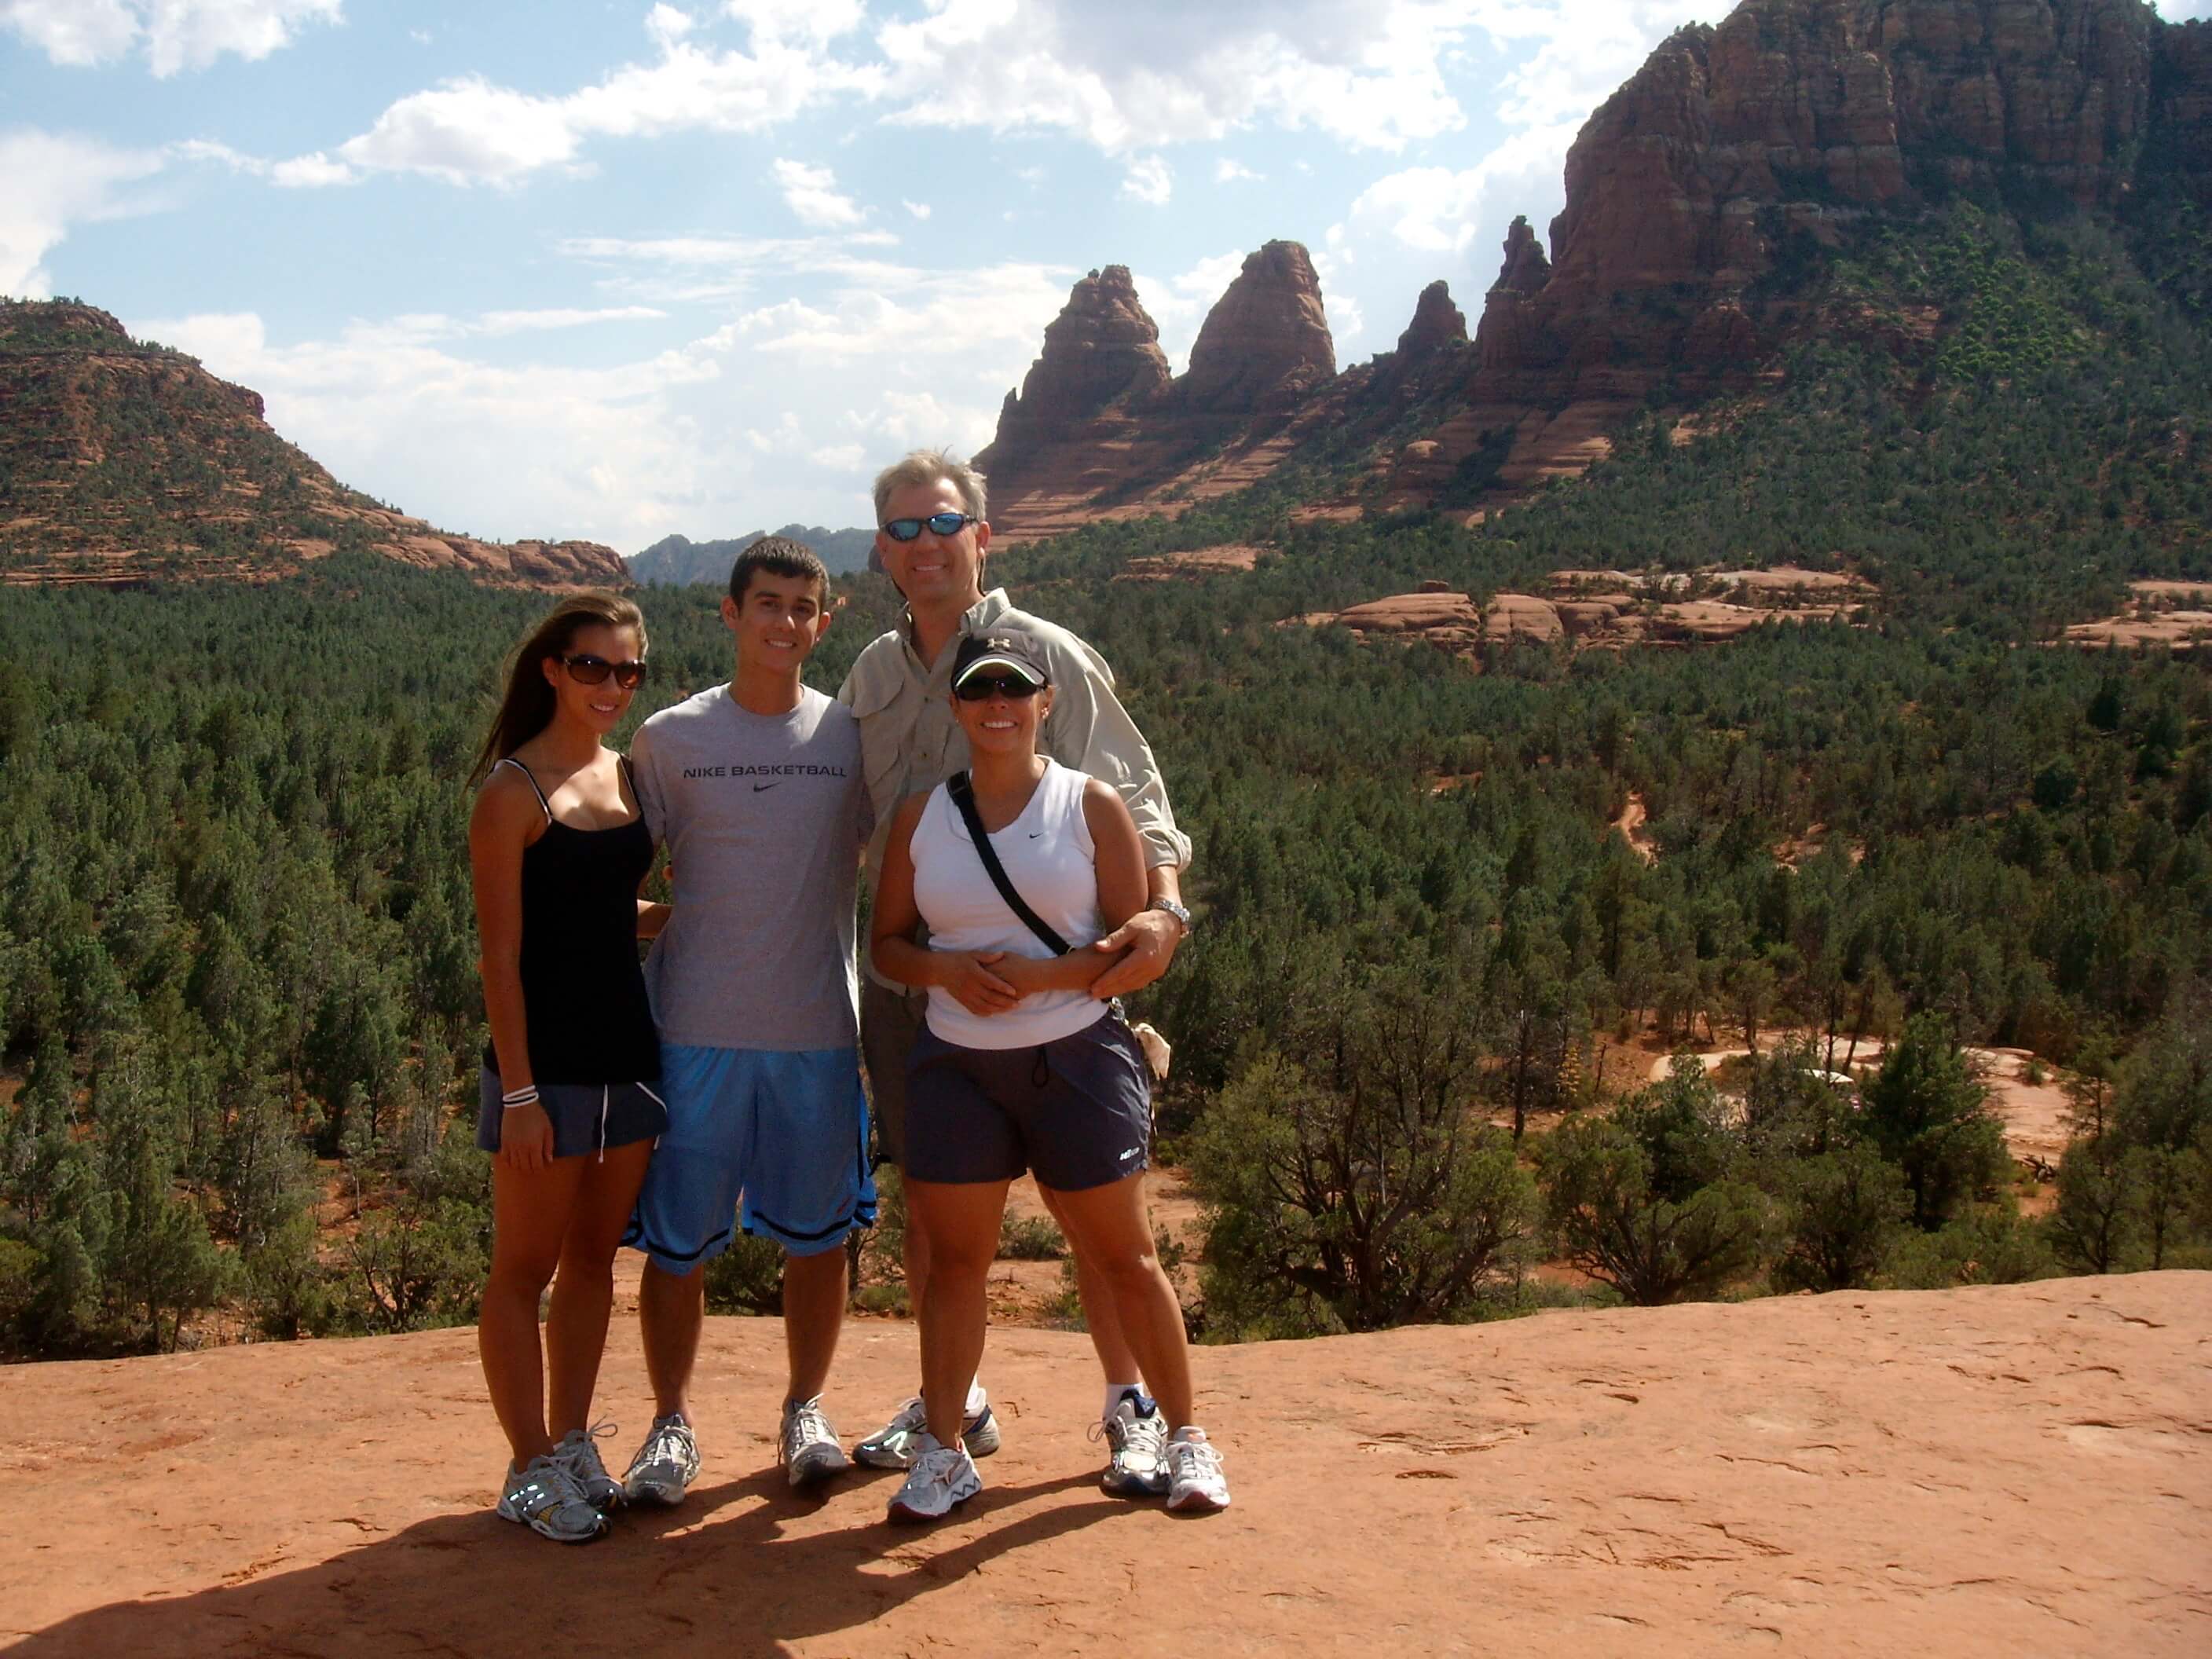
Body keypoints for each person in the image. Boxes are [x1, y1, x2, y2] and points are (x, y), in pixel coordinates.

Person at [841, 449, 1195, 1499]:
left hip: (1064, 994)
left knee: (1092, 1213)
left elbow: (1135, 801)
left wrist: (1164, 912)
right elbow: (849, 824)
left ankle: (1130, 1407)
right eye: (901, 531)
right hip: (923, 991)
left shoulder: (1046, 655)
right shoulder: (872, 672)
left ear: (981, 537)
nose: (923, 546)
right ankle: (957, 1404)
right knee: (936, 1214)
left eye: (941, 524)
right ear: (880, 551)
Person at [870, 633, 1230, 1520]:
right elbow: (884, 945)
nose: (997, 703)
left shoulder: (1089, 804)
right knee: (954, 1264)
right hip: (955, 1063)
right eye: (978, 689)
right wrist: (947, 973)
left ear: (1045, 702)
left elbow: (1129, 946)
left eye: (1014, 688)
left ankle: (1185, 1436)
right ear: (954, 706)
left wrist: (1036, 979)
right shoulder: (922, 817)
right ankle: (946, 1451)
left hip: (1073, 1055)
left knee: (1124, 1258)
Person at [617, 539, 877, 1506]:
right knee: (675, 1244)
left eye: (802, 608)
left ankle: (805, 1408)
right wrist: (683, 924)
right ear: (729, 614)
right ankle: (669, 1425)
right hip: (691, 1032)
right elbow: (615, 878)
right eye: (765, 604)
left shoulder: (852, 736)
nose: (784, 623)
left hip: (817, 1029)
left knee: (817, 1241)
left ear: (824, 618)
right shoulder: (670, 738)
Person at [467, 593, 669, 1545]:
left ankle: (573, 1439)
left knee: (594, 1262)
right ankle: (526, 1467)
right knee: (522, 1271)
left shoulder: (626, 774)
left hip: (628, 1060)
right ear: (552, 667)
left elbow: (599, 920)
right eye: (592, 666)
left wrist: (685, 919)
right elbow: (500, 957)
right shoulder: (512, 791)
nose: (610, 686)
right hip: (541, 1071)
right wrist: (516, 1094)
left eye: (626, 671)